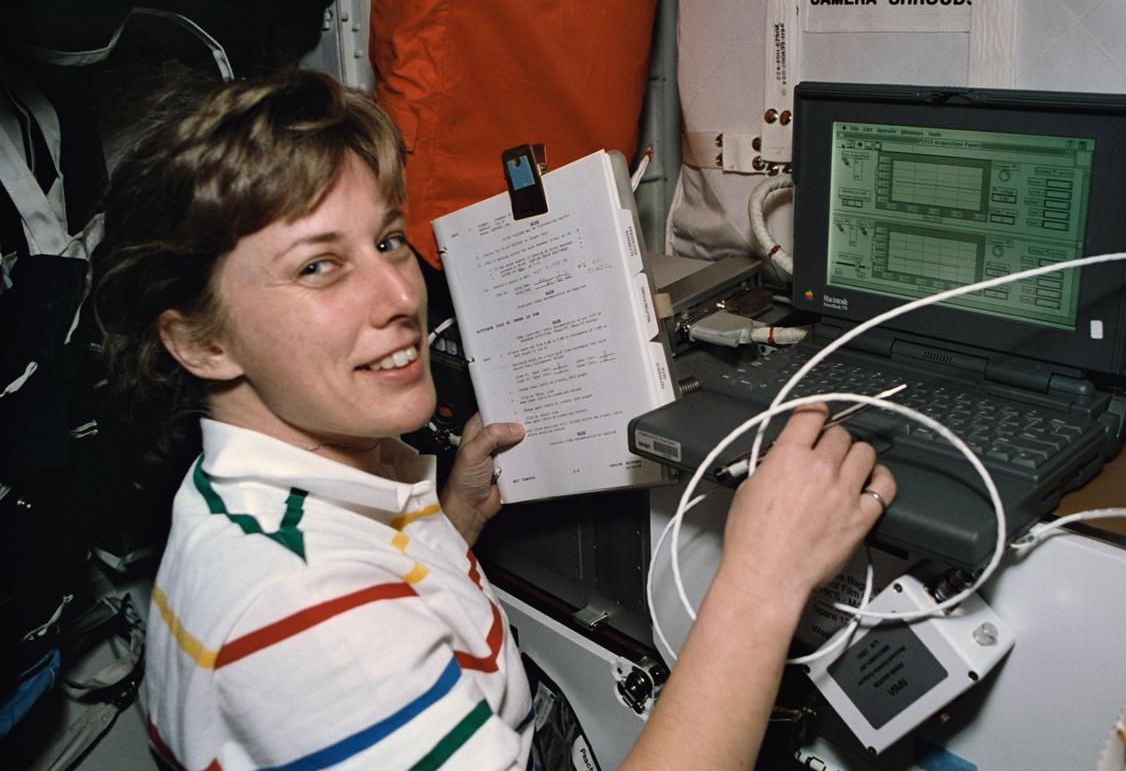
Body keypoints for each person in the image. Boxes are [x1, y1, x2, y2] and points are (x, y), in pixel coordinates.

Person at [95, 70, 896, 771]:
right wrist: (763, 580)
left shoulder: (239, 498)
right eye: (318, 266)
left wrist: (451, 522)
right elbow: (342, 640)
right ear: (200, 342)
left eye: (386, 240)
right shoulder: (306, 617)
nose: (400, 298)